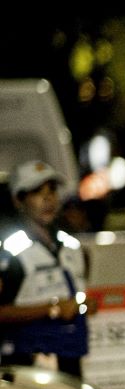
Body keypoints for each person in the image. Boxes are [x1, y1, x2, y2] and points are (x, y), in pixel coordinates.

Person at [0, 160, 98, 375]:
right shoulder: (10, 253)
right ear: (19, 200)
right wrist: (51, 309)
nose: (48, 198)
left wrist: (83, 304)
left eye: (52, 189)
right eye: (37, 191)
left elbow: (78, 294)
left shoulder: (72, 246)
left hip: (71, 357)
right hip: (27, 363)